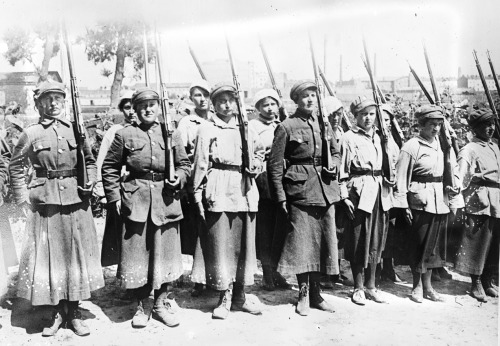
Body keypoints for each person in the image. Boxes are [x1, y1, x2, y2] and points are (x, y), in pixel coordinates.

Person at [9, 81, 104, 337]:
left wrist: (89, 182)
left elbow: (91, 161)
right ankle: (55, 313)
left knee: (75, 256)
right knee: (50, 258)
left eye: (58, 99)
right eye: (48, 99)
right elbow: (15, 166)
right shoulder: (31, 133)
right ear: (38, 103)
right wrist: (21, 198)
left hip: (75, 201)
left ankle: (74, 312)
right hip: (45, 203)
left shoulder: (76, 130)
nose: (53, 103)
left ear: (64, 102)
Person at [102, 88, 191, 328]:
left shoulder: (170, 133)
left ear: (159, 107)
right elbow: (109, 167)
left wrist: (180, 178)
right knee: (138, 253)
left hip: (166, 199)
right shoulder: (124, 134)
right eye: (143, 106)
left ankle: (160, 304)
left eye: (152, 105)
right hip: (137, 199)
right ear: (136, 110)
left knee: (165, 252)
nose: (148, 109)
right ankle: (141, 305)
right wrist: (114, 198)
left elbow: (184, 164)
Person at [192, 83, 264, 320]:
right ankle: (223, 297)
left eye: (231, 100)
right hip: (219, 187)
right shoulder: (207, 128)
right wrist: (197, 193)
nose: (226, 104)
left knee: (244, 245)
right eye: (221, 100)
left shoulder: (247, 128)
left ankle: (240, 296)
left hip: (244, 188)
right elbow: (201, 162)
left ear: (237, 102)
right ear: (213, 104)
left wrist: (255, 165)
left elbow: (259, 153)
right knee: (221, 245)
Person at [268, 81, 340, 316]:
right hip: (299, 192)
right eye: (304, 96)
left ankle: (317, 294)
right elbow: (275, 165)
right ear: (296, 100)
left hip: (325, 190)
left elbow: (336, 151)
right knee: (302, 245)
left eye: (313, 95)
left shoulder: (324, 124)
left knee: (322, 243)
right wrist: (280, 198)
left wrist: (334, 166)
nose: (310, 100)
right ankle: (304, 293)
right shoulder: (286, 126)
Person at [393, 105, 463, 303]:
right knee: (419, 244)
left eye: (439, 125)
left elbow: (446, 172)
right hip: (419, 201)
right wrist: (404, 205)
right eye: (432, 124)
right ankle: (416, 287)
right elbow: (401, 178)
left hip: (438, 200)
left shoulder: (441, 146)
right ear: (422, 125)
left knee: (432, 247)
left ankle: (429, 287)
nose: (436, 129)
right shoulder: (412, 146)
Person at [339, 97, 393, 305]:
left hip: (379, 191)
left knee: (377, 239)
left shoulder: (380, 137)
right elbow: (342, 171)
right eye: (363, 114)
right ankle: (358, 287)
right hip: (359, 192)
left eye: (371, 114)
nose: (368, 118)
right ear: (355, 116)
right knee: (360, 238)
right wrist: (344, 196)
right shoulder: (349, 138)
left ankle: (371, 286)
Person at [455, 108, 500, 301]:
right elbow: (462, 177)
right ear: (474, 129)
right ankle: (476, 283)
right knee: (477, 243)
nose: (490, 129)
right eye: (485, 125)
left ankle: (488, 280)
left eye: (492, 124)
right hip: (479, 200)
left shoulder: (495, 147)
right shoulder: (469, 149)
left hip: (497, 199)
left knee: (494, 243)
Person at [249, 88, 290, 291]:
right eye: (265, 105)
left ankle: (275, 269)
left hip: (282, 175)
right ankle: (267, 272)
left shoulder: (282, 124)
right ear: (258, 108)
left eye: (273, 103)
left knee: (279, 225)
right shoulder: (253, 126)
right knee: (265, 226)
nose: (270, 108)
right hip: (264, 176)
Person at [176, 80, 212, 297]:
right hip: (196, 179)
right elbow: (182, 154)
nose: (202, 99)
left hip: (217, 179)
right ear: (192, 99)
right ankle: (199, 279)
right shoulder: (187, 123)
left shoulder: (219, 121)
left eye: (206, 94)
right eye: (197, 95)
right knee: (201, 229)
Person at [96, 90, 137, 267]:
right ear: (122, 110)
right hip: (120, 187)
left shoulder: (147, 129)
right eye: (127, 107)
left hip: (140, 186)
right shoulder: (115, 131)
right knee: (121, 230)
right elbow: (103, 162)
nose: (132, 111)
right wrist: (102, 191)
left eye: (135, 106)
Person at [379, 105, 404, 283]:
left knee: (391, 231)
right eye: (381, 119)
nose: (384, 123)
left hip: (393, 192)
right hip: (379, 190)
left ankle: (388, 267)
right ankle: (375, 268)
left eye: (387, 120)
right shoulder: (375, 139)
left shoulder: (393, 140)